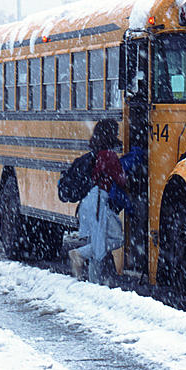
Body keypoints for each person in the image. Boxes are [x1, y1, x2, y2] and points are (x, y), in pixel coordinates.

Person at [69, 119, 127, 283]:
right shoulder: (109, 156)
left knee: (98, 240)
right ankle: (79, 255)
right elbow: (121, 179)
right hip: (98, 201)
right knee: (113, 239)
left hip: (90, 199)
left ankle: (94, 281)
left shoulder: (96, 154)